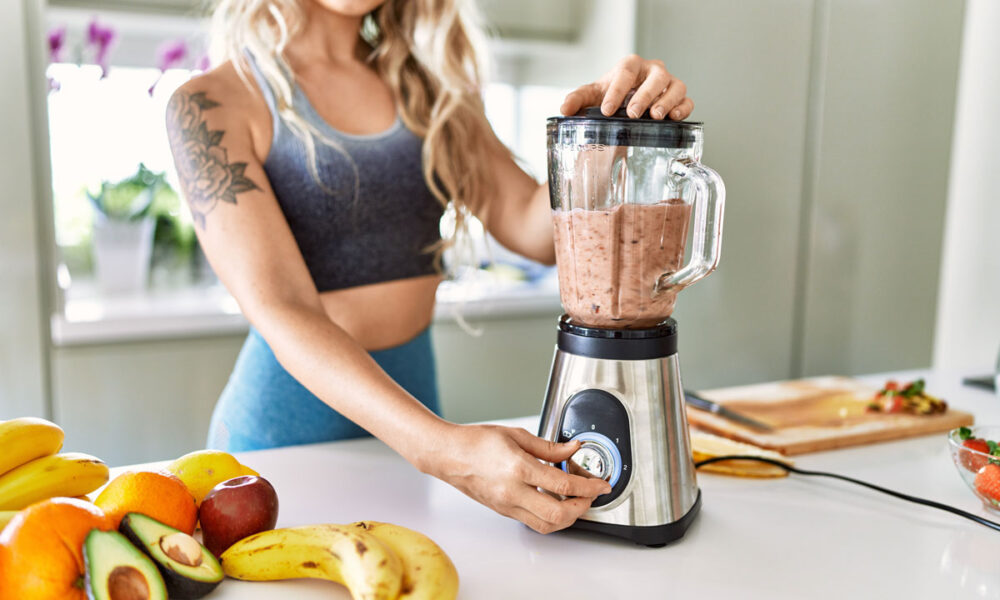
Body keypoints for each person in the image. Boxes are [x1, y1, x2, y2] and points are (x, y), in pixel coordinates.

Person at [166, 0, 694, 535]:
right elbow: (283, 306)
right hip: (282, 439)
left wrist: (612, 122)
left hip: (416, 415)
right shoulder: (209, 105)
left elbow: (533, 229)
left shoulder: (433, 90)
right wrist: (440, 449)